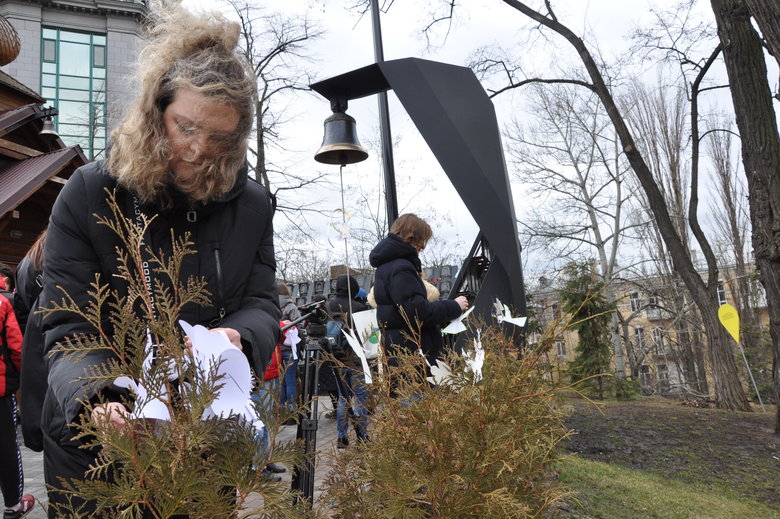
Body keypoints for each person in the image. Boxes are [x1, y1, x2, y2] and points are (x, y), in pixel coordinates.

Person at [38, 7, 281, 517]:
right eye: (184, 127)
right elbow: (68, 326)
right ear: (156, 111)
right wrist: (98, 400)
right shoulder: (91, 194)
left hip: (202, 436)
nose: (196, 150)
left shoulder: (253, 205)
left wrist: (241, 336)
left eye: (218, 138)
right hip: (99, 448)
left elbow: (260, 299)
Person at [369, 214, 468, 365]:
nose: (423, 246)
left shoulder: (386, 266)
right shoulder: (401, 268)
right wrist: (454, 306)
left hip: (400, 351)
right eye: (423, 240)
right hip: (414, 354)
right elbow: (419, 312)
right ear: (414, 238)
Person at [0, 276, 35, 518]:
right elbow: (16, 346)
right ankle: (13, 505)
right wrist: (25, 379)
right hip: (0, 390)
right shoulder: (2, 302)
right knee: (6, 447)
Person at [326, 274, 370, 448]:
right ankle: (362, 436)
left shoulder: (328, 305)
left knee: (343, 398)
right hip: (357, 359)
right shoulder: (358, 306)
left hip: (337, 358)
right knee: (360, 398)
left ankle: (341, 437)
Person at [13, 229, 47, 452]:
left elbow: (20, 312)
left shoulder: (25, 264)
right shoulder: (63, 252)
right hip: (66, 344)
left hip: (35, 346)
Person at [277, 282, 300, 421]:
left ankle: (280, 412)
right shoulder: (290, 306)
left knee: (280, 382)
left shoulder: (271, 306)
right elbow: (299, 323)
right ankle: (291, 413)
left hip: (277, 349)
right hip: (289, 348)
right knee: (290, 381)